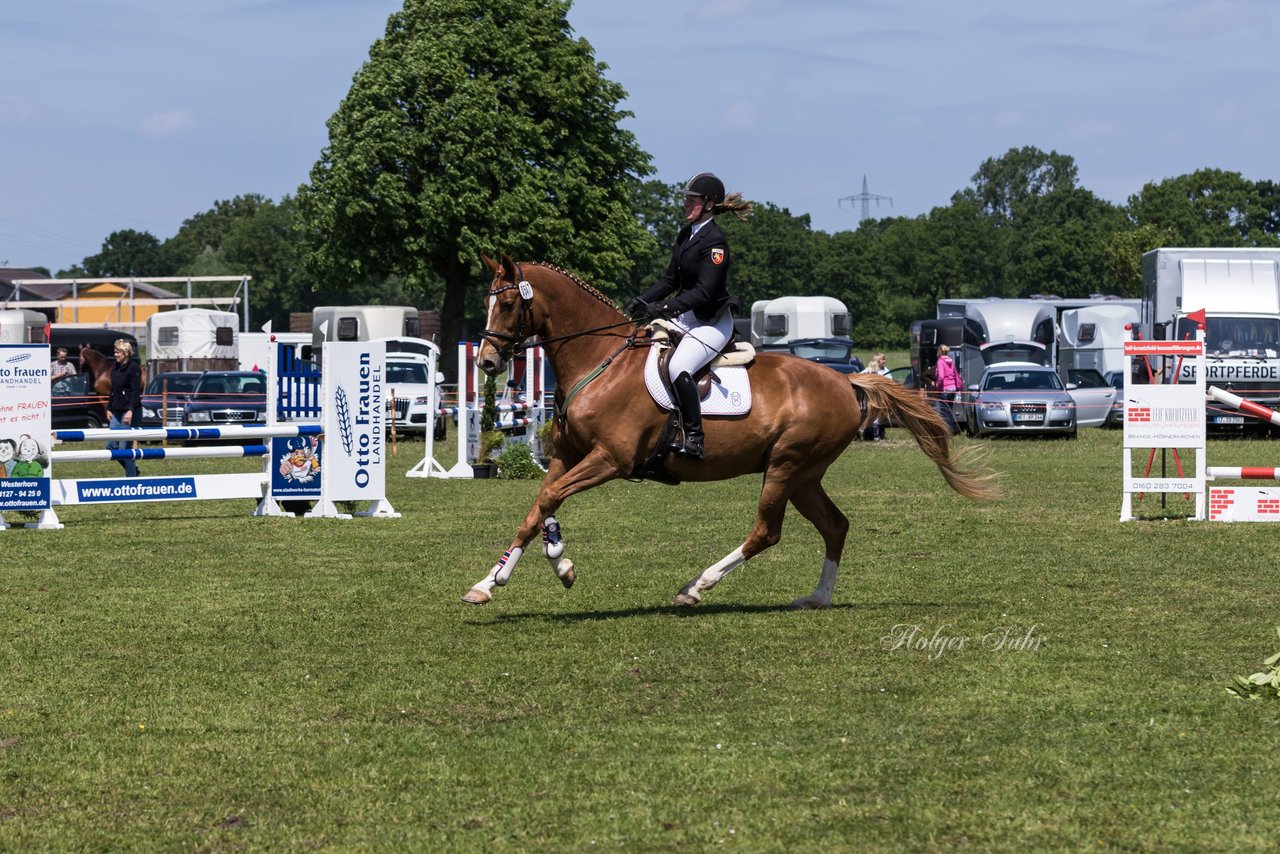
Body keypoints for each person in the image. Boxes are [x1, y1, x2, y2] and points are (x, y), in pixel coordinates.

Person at [625, 172, 753, 459]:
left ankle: (694, 436)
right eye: (686, 199)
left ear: (709, 204)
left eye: (691, 200)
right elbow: (670, 279)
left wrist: (664, 308)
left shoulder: (715, 242)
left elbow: (705, 292)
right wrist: (643, 300)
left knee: (678, 367)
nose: (685, 204)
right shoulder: (687, 234)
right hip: (686, 317)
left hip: (711, 321)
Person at [107, 339, 143, 477]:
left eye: (118, 352)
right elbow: (113, 389)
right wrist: (109, 407)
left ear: (126, 353)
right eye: (115, 352)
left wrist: (130, 411)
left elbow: (135, 392)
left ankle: (131, 478)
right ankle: (134, 469)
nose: (115, 355)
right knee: (110, 445)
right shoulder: (114, 367)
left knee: (125, 448)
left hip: (130, 411)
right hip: (116, 411)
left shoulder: (134, 368)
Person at [933, 344, 962, 435]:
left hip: (945, 389)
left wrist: (937, 385)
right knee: (949, 410)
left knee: (944, 411)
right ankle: (952, 428)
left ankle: (949, 431)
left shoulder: (940, 361)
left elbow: (941, 377)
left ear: (939, 352)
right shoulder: (951, 361)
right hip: (953, 388)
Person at [861, 353, 890, 440]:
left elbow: (890, 380)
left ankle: (878, 434)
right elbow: (861, 376)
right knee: (872, 415)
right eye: (882, 359)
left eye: (884, 359)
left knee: (880, 416)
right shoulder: (869, 369)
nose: (884, 361)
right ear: (877, 361)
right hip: (871, 396)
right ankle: (871, 434)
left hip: (882, 396)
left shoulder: (885, 370)